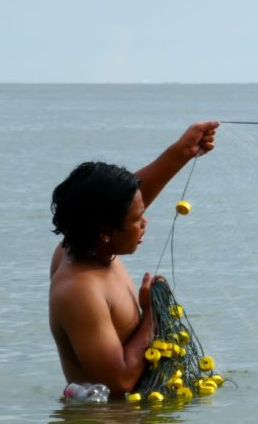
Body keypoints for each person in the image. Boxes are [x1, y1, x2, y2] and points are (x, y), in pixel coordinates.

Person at [49, 122, 219, 395]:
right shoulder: (80, 290)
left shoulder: (87, 242)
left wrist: (182, 151)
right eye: (138, 219)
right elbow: (119, 382)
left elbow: (126, 200)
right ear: (105, 231)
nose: (145, 222)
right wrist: (153, 315)